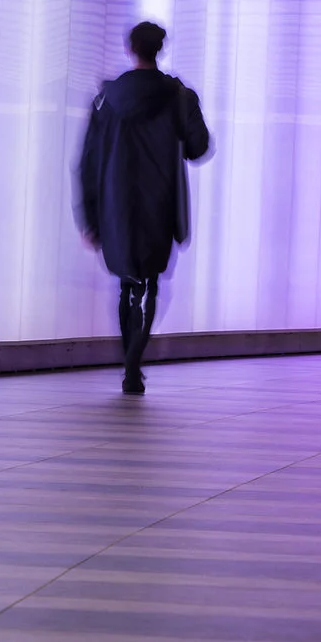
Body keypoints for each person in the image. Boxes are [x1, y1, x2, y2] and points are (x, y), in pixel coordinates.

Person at [76, 21, 210, 395]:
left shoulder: (107, 99)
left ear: (129, 49)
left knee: (124, 285)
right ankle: (134, 367)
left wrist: (88, 218)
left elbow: (87, 162)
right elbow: (199, 147)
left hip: (116, 204)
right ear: (160, 49)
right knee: (149, 282)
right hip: (160, 201)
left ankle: (130, 365)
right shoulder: (178, 95)